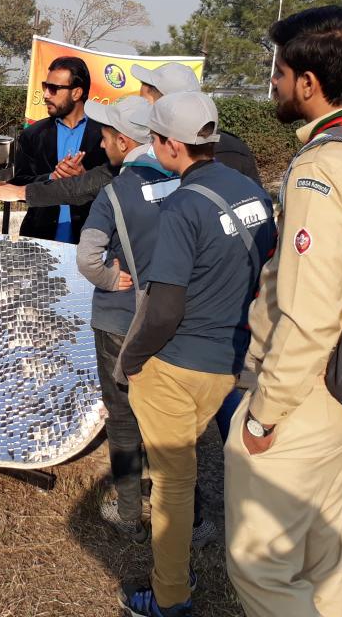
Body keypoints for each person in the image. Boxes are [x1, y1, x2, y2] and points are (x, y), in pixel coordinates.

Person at [224, 6, 342, 617]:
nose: (273, 82)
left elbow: (309, 314)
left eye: (279, 70)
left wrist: (264, 416)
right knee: (319, 552)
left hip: (304, 393)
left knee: (260, 564)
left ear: (308, 83)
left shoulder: (324, 166)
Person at [117, 91, 276, 617]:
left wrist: (132, 360)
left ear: (168, 145)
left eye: (154, 139)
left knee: (173, 486)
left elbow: (163, 308)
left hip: (179, 363)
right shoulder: (251, 190)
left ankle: (169, 598)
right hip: (231, 358)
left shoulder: (184, 206)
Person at [74, 95, 173, 543]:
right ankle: (180, 511)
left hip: (118, 321)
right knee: (165, 417)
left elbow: (89, 258)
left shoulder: (114, 194)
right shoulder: (181, 184)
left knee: (122, 415)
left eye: (105, 134)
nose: (100, 140)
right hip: (169, 320)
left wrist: (113, 279)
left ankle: (129, 510)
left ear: (122, 140)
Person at [0, 61, 258, 207]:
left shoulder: (228, 156)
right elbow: (87, 184)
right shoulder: (144, 161)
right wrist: (21, 191)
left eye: (145, 101)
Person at [9, 56, 108, 242]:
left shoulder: (106, 136)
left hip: (92, 242)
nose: (46, 95)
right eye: (45, 86)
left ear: (77, 93)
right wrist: (50, 178)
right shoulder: (33, 134)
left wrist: (84, 179)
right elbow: (18, 183)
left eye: (53, 89)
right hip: (40, 238)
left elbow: (117, 186)